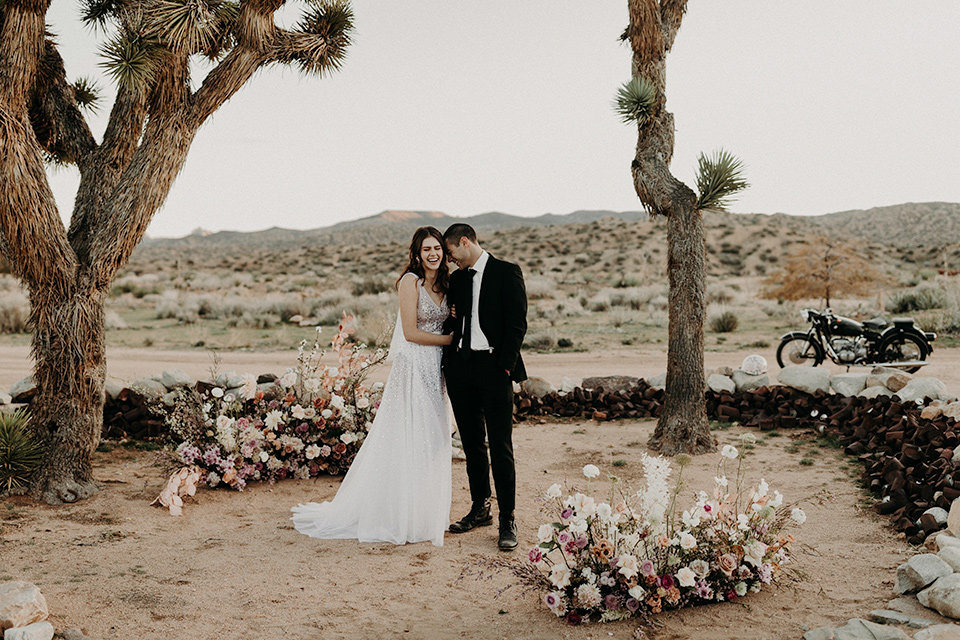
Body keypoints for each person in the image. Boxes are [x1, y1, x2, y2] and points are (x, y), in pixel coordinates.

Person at [291, 227, 453, 546]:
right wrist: (451, 340)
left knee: (434, 440)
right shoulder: (410, 282)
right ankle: (395, 514)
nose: (432, 254)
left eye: (436, 248)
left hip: (437, 368)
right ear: (417, 255)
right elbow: (409, 332)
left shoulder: (447, 283)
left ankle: (421, 511)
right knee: (409, 436)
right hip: (414, 365)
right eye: (426, 250)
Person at [441, 223, 527, 551]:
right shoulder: (458, 280)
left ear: (465, 242)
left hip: (494, 369)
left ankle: (508, 518)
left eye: (451, 253)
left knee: (500, 445)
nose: (450, 260)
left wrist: (504, 366)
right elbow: (453, 322)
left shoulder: (507, 272)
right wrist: (451, 315)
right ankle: (480, 509)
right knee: (472, 445)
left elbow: (517, 323)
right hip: (460, 368)